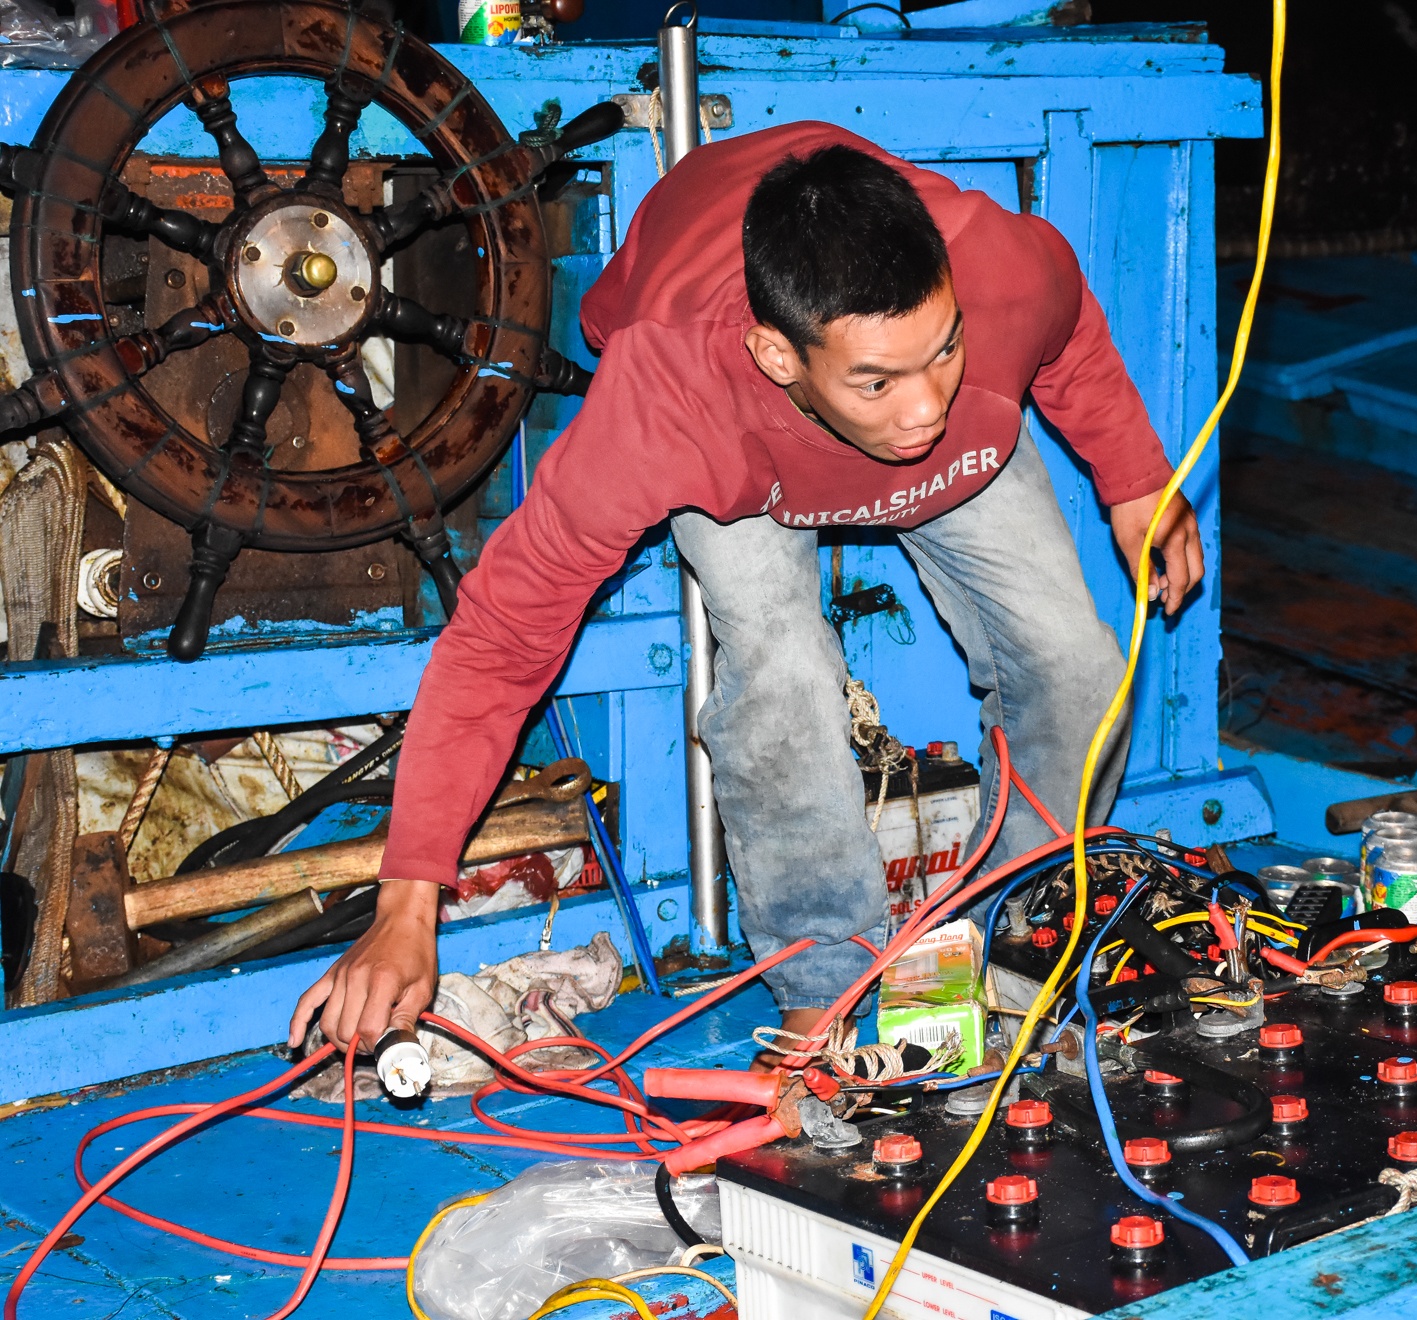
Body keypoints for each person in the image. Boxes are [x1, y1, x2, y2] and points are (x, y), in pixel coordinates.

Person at [287, 121, 1203, 1060]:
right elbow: (500, 640)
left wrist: (1136, 481)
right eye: (878, 383)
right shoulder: (669, 405)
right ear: (778, 356)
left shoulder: (1002, 270)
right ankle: (821, 978)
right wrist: (407, 904)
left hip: (936, 429)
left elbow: (1070, 334)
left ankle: (1005, 927)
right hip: (744, 446)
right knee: (783, 677)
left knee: (1078, 666)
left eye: (945, 351)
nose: (925, 409)